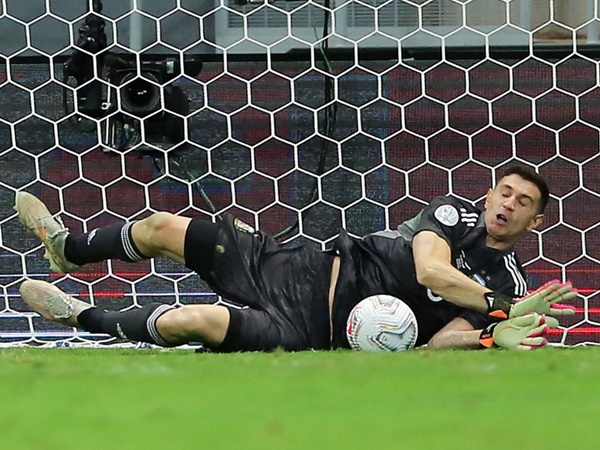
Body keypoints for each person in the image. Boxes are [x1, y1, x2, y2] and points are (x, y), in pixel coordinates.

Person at [16, 165, 576, 352]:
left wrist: (487, 336)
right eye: (504, 192)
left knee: (193, 321)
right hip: (299, 265)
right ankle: (69, 250)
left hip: (309, 329)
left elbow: (438, 345)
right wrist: (500, 307)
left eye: (523, 202)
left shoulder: (509, 284)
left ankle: (80, 316)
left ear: (536, 222)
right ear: (488, 195)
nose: (508, 204)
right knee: (163, 226)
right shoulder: (452, 214)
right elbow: (431, 270)